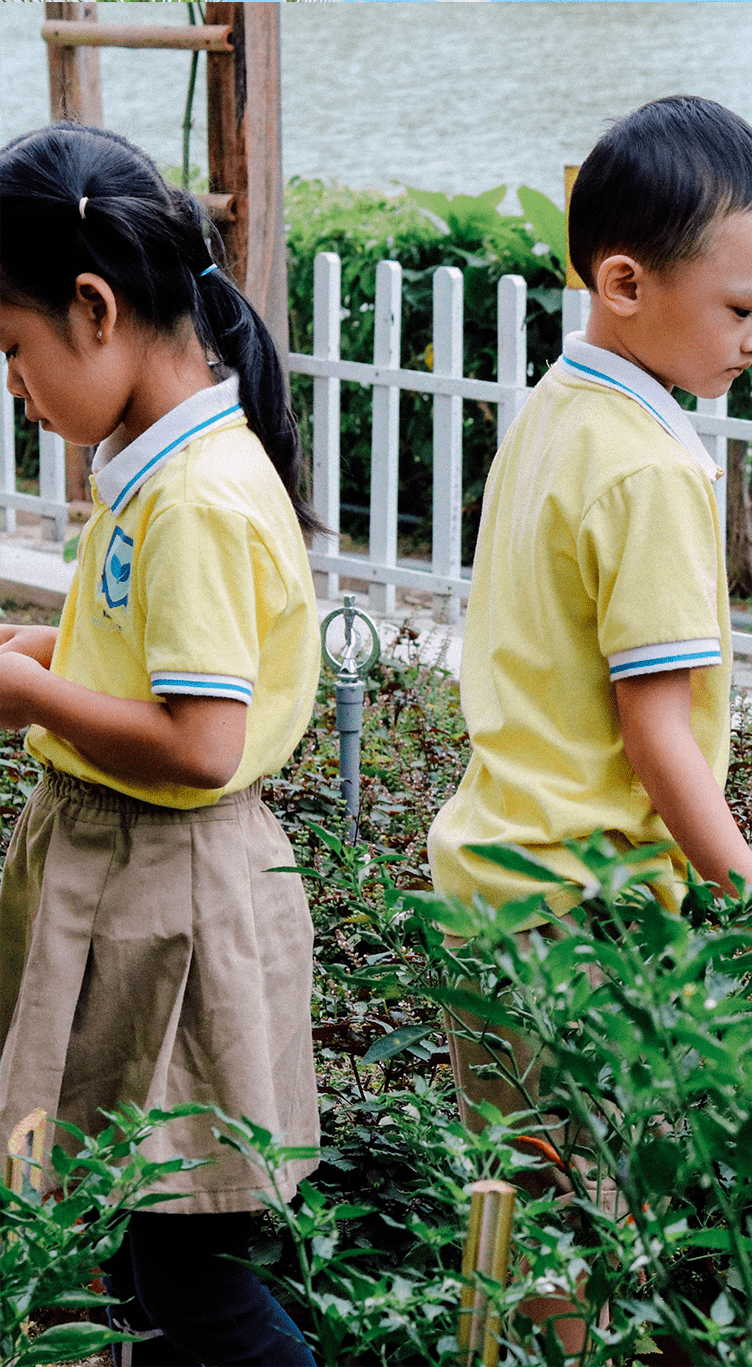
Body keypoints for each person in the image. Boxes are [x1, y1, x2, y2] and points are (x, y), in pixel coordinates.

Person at [424, 96, 752, 1340]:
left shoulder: (558, 407)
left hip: (493, 871)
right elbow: (658, 731)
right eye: (742, 307)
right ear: (622, 280)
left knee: (523, 1204)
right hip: (587, 905)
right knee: (614, 1219)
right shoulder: (653, 470)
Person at [0, 123, 317, 1365]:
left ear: (93, 308)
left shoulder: (193, 497)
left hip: (170, 902)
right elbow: (140, 657)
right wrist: (41, 657)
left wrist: (29, 701)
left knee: (177, 1268)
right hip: (136, 889)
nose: (15, 385)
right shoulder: (158, 466)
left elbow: (197, 739)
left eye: (15, 350)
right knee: (127, 1253)